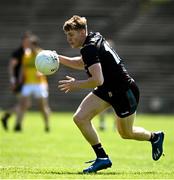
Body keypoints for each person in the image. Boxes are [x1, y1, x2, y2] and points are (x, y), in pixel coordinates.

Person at [58, 15, 164, 173]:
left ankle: (154, 137)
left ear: (81, 32)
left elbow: (98, 79)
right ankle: (102, 158)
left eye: (71, 35)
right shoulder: (92, 39)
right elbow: (83, 63)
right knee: (80, 118)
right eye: (67, 35)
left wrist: (76, 84)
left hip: (124, 92)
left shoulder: (89, 47)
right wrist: (58, 58)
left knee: (126, 133)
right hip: (108, 89)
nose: (69, 39)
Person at [13, 34, 51, 132]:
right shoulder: (26, 55)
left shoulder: (42, 54)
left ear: (34, 44)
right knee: (22, 104)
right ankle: (18, 125)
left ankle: (47, 125)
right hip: (28, 83)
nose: (28, 46)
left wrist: (41, 72)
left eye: (29, 44)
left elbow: (48, 68)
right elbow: (23, 68)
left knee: (42, 106)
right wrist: (19, 79)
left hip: (40, 84)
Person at [1, 31, 32, 130]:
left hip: (27, 82)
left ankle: (15, 122)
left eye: (29, 41)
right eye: (26, 41)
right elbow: (11, 67)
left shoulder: (29, 52)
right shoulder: (18, 52)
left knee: (24, 104)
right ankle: (12, 120)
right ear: (22, 41)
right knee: (24, 104)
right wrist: (12, 80)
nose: (27, 43)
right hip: (19, 82)